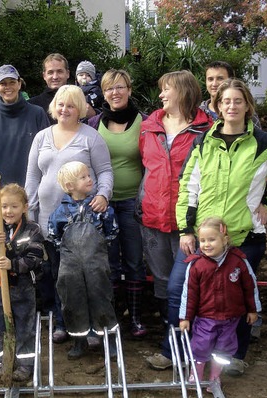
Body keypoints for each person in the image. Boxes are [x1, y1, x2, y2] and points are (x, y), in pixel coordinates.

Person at [147, 79, 267, 375]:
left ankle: (234, 356)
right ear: (217, 106)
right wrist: (186, 229)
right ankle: (174, 351)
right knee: (177, 289)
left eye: (237, 101)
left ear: (247, 105)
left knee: (237, 297)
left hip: (243, 237)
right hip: (202, 238)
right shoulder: (202, 142)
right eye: (226, 102)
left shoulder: (263, 143)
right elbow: (187, 188)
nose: (231, 106)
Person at [25, 84, 113, 343]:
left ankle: (89, 326)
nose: (65, 109)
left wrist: (103, 195)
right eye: (61, 104)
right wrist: (30, 212)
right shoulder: (42, 137)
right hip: (48, 220)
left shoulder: (91, 137)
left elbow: (105, 171)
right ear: (54, 107)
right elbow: (32, 176)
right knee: (55, 274)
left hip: (82, 221)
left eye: (71, 105)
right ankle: (61, 323)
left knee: (83, 275)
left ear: (81, 109)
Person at [137, 71, 212, 338]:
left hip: (188, 222)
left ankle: (192, 333)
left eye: (166, 89)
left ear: (182, 91)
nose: (160, 95)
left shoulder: (206, 129)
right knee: (161, 280)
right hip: (153, 217)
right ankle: (168, 333)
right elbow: (144, 167)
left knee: (188, 281)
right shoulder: (149, 126)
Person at [87, 69, 148, 337]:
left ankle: (135, 317)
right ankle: (111, 317)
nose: (115, 92)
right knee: (109, 262)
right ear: (103, 92)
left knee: (134, 261)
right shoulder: (93, 124)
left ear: (130, 90)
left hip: (134, 202)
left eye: (120, 87)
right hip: (104, 203)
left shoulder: (145, 123)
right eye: (109, 88)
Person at [179, 217, 261, 390]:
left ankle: (214, 378)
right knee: (200, 346)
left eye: (211, 239)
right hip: (205, 317)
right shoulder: (197, 265)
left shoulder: (238, 261)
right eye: (202, 241)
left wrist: (253, 310)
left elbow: (249, 287)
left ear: (224, 239)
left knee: (223, 351)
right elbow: (189, 294)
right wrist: (185, 317)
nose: (206, 244)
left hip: (231, 318)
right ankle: (196, 375)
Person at [48, 161, 119, 360]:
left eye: (89, 175)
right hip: (70, 266)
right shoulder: (60, 212)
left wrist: (100, 247)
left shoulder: (99, 207)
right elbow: (54, 235)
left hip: (96, 264)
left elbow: (112, 230)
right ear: (69, 186)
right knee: (72, 300)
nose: (90, 179)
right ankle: (79, 341)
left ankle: (109, 340)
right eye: (83, 177)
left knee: (101, 298)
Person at [0, 183, 45, 382]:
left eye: (14, 206)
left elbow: (36, 257)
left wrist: (13, 264)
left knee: (25, 326)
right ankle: (3, 361)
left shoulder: (32, 230)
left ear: (25, 207)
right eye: (4, 206)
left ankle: (25, 364)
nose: (8, 211)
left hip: (23, 287)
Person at [0, 64, 49, 224]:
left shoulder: (37, 114)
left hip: (29, 197)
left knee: (30, 247)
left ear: (19, 84)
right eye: (3, 83)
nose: (8, 87)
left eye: (12, 82)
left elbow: (48, 154)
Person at [199, 61, 260, 128]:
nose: (214, 84)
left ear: (230, 80)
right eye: (210, 79)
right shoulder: (198, 112)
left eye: (220, 78)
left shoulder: (245, 112)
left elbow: (259, 137)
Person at [29, 53, 70, 124]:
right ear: (44, 76)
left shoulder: (79, 102)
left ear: (67, 74)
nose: (55, 77)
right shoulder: (31, 106)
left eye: (59, 71)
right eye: (50, 72)